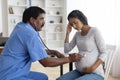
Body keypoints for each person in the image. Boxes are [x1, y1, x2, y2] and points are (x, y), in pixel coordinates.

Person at [0, 7, 82, 80]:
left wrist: (54, 52)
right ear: (32, 20)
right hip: (11, 75)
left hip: (8, 70)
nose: (44, 22)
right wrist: (69, 59)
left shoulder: (21, 26)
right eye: (41, 19)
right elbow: (45, 62)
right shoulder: (29, 33)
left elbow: (34, 49)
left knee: (43, 77)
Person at [56, 10, 107, 80]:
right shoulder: (77, 35)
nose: (74, 26)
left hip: (95, 72)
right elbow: (66, 49)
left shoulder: (94, 31)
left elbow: (104, 52)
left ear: (82, 19)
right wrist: (67, 33)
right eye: (71, 24)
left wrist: (91, 68)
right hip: (80, 71)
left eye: (75, 22)